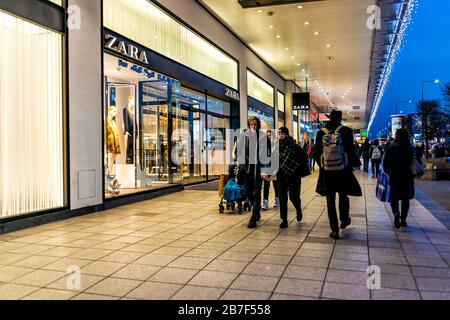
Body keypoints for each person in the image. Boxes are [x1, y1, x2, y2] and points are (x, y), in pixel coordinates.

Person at [314, 110, 362, 240]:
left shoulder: (320, 132)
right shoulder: (346, 131)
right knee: (343, 196)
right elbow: (351, 151)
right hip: (343, 171)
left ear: (329, 118)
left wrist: (324, 166)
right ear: (340, 119)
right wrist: (351, 165)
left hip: (327, 173)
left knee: (330, 201)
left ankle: (334, 230)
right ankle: (344, 220)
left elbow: (316, 153)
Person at [383, 128, 415, 229]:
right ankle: (403, 220)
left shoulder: (391, 147)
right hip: (407, 177)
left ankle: (396, 213)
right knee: (405, 199)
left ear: (396, 135)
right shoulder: (410, 148)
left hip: (394, 177)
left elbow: (385, 163)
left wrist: (387, 170)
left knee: (394, 198)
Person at [236, 116, 265, 229]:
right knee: (248, 192)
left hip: (258, 169)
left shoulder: (262, 136)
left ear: (258, 125)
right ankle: (256, 211)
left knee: (256, 193)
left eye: (255, 124)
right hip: (247, 169)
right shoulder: (244, 135)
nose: (253, 126)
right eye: (251, 124)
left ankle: (253, 218)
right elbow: (239, 151)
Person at [275, 127, 306, 229]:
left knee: (294, 197)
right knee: (283, 198)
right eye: (279, 134)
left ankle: (298, 209)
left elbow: (305, 158)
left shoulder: (294, 146)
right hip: (281, 175)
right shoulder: (276, 146)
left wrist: (296, 165)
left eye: (282, 134)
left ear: (287, 134)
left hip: (294, 175)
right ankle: (284, 220)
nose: (280, 136)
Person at [262, 130, 280, 210]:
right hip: (266, 168)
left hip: (275, 168)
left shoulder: (276, 145)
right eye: (267, 135)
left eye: (270, 135)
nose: (268, 136)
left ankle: (277, 200)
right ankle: (265, 202)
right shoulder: (264, 146)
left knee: (276, 185)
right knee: (266, 185)